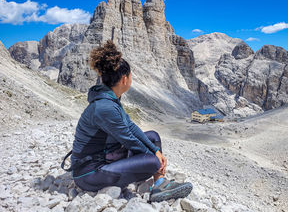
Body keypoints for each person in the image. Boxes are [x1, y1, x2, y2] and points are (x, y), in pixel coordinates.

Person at [61, 40, 192, 202]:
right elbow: (129, 140)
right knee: (152, 162)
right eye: (131, 76)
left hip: (105, 157)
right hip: (89, 173)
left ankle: (159, 182)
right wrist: (155, 159)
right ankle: (157, 182)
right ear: (124, 79)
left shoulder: (110, 98)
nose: (131, 79)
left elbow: (130, 126)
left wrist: (155, 150)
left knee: (153, 136)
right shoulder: (105, 107)